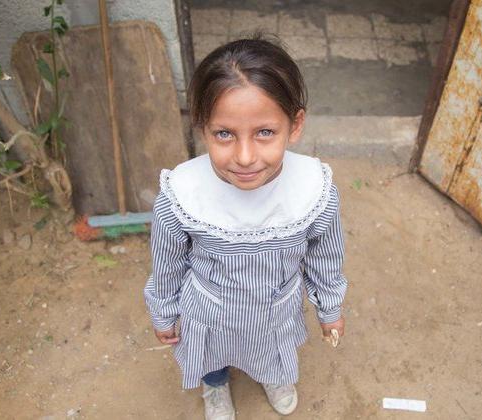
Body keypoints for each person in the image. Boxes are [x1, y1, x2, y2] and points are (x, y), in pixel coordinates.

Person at [144, 34, 348, 420]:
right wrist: (164, 312)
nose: (244, 156)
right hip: (209, 312)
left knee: (272, 350)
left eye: (265, 132)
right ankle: (215, 383)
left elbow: (325, 257)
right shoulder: (182, 195)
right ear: (202, 127)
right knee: (211, 353)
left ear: (295, 124)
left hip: (277, 310)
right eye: (224, 134)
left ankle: (273, 376)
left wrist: (330, 307)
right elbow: (167, 264)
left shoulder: (314, 191)